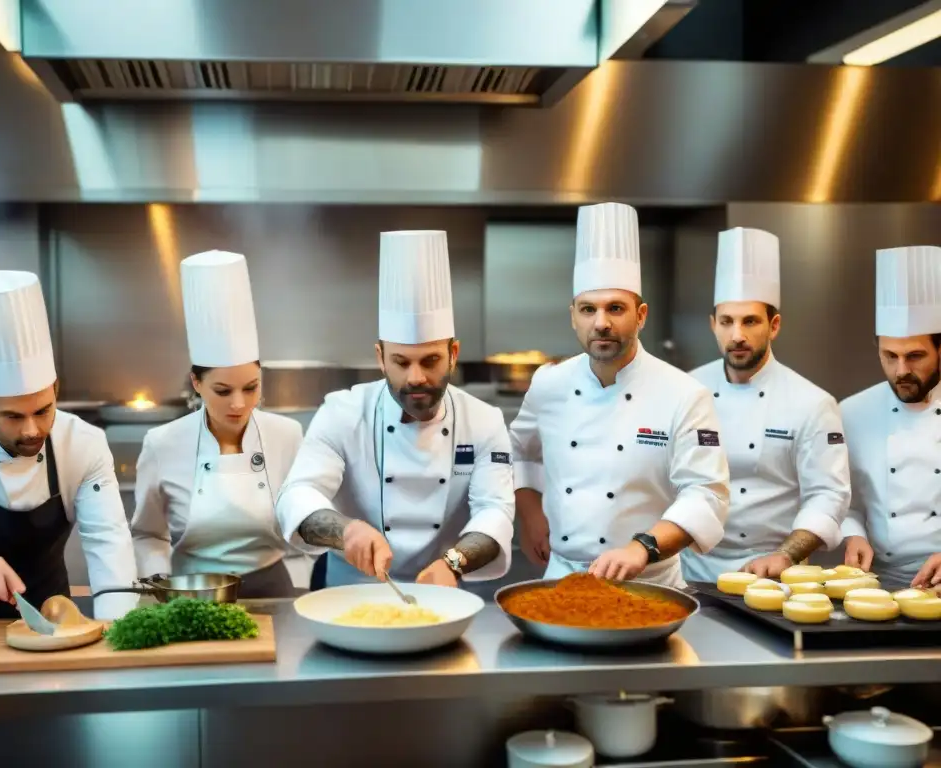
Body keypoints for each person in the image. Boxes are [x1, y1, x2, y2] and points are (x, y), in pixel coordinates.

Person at [276, 230, 515, 587]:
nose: (415, 377)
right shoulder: (342, 412)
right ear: (380, 358)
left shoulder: (483, 421)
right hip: (350, 593)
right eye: (401, 362)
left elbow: (494, 510)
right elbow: (296, 494)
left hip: (442, 592)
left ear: (453, 355)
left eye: (430, 360)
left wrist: (454, 563)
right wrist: (347, 531)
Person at [509, 202, 729, 587]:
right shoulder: (548, 383)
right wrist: (530, 515)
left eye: (616, 308)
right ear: (573, 315)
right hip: (562, 577)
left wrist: (642, 547)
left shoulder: (684, 393)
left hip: (651, 584)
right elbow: (519, 451)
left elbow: (706, 494)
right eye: (588, 309)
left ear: (640, 316)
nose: (601, 323)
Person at [0, 271, 136, 619]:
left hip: (58, 619)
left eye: (43, 410)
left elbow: (108, 541)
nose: (33, 430)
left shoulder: (82, 444)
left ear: (56, 391)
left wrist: (118, 628)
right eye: (14, 417)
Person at [680, 228, 850, 581]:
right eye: (726, 321)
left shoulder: (812, 402)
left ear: (774, 326)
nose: (737, 335)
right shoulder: (684, 389)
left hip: (773, 574)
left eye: (750, 321)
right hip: (691, 570)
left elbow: (828, 494)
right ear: (713, 325)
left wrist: (785, 555)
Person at [131, 251, 304, 598]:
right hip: (192, 591)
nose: (239, 404)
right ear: (197, 383)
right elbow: (147, 533)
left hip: (274, 589)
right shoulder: (163, 443)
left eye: (251, 387)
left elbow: (302, 529)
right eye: (223, 391)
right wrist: (161, 585)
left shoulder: (287, 435)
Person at [841, 245, 941, 591]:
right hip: (879, 587)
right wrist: (853, 535)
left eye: (915, 356)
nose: (902, 371)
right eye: (889, 355)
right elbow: (847, 500)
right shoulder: (852, 412)